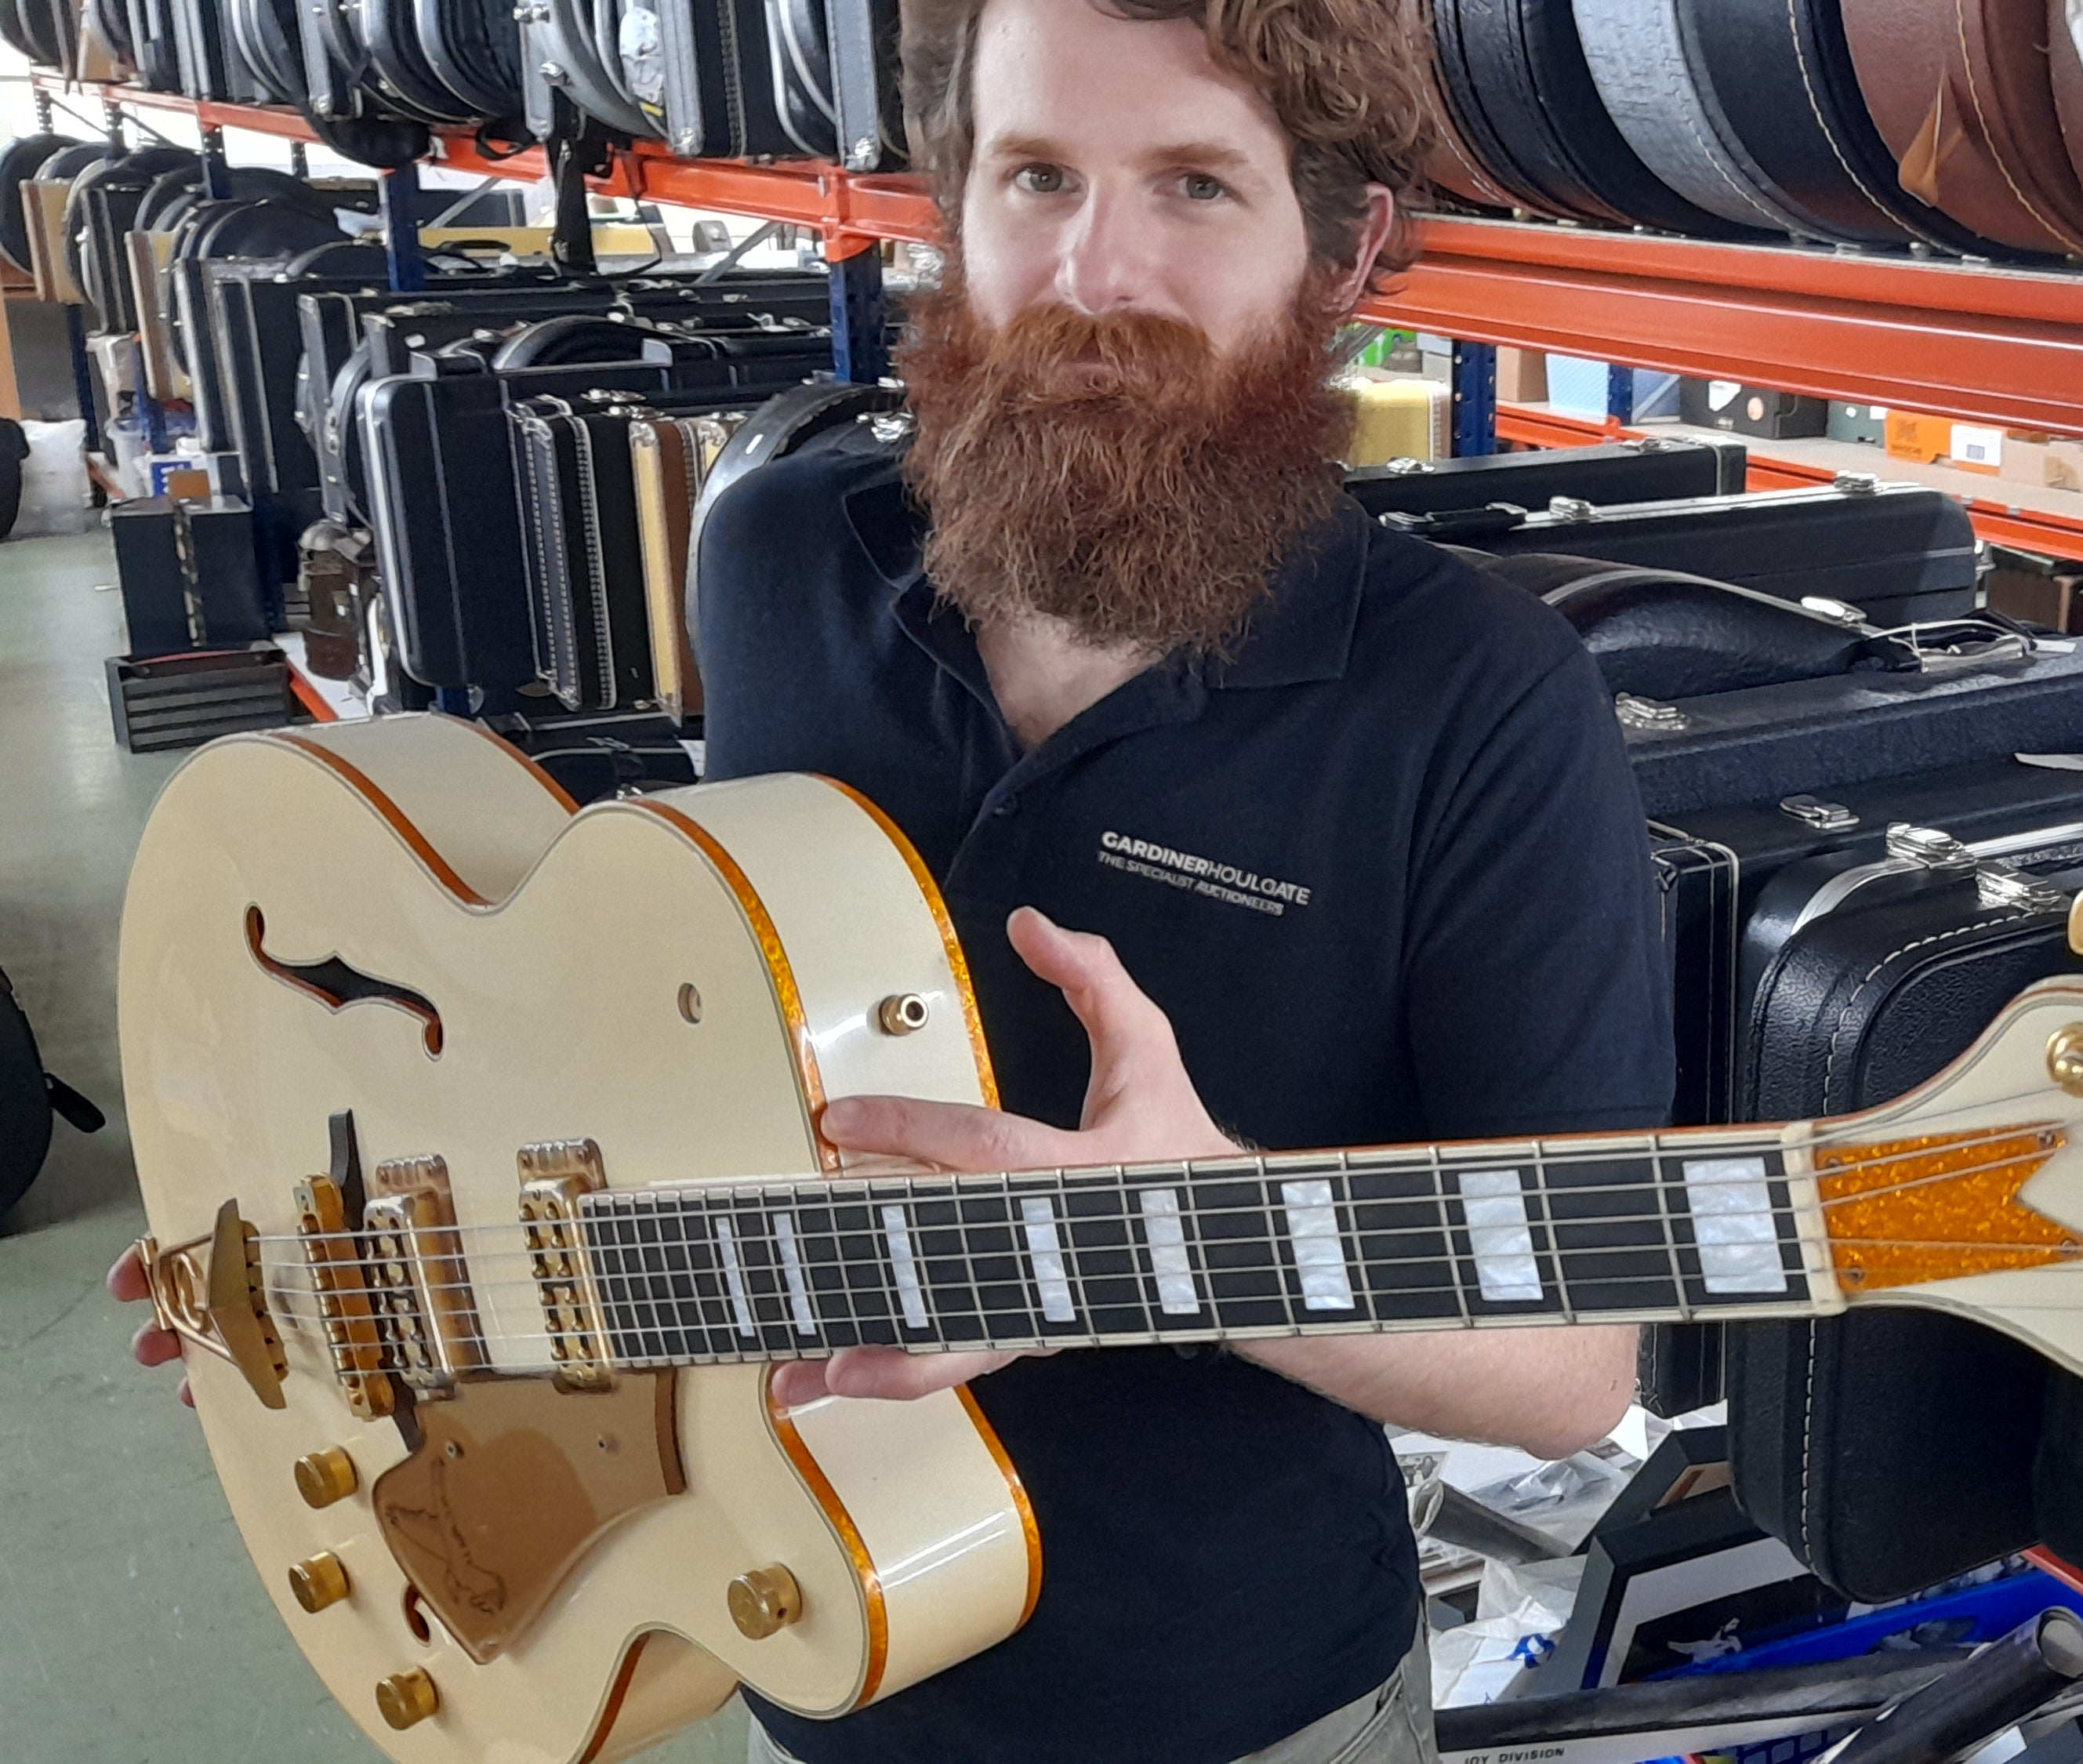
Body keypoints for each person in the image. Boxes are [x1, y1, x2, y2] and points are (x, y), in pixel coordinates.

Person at [115, 1, 1675, 1759]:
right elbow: (658, 1048)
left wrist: (1190, 1237)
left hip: (1228, 1702)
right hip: (804, 1637)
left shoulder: (1480, 701)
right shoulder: (775, 554)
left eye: (1193, 186)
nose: (1094, 271)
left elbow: (1566, 1369)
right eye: (1035, 177)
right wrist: (384, 1271)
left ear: (1343, 246)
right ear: (951, 193)